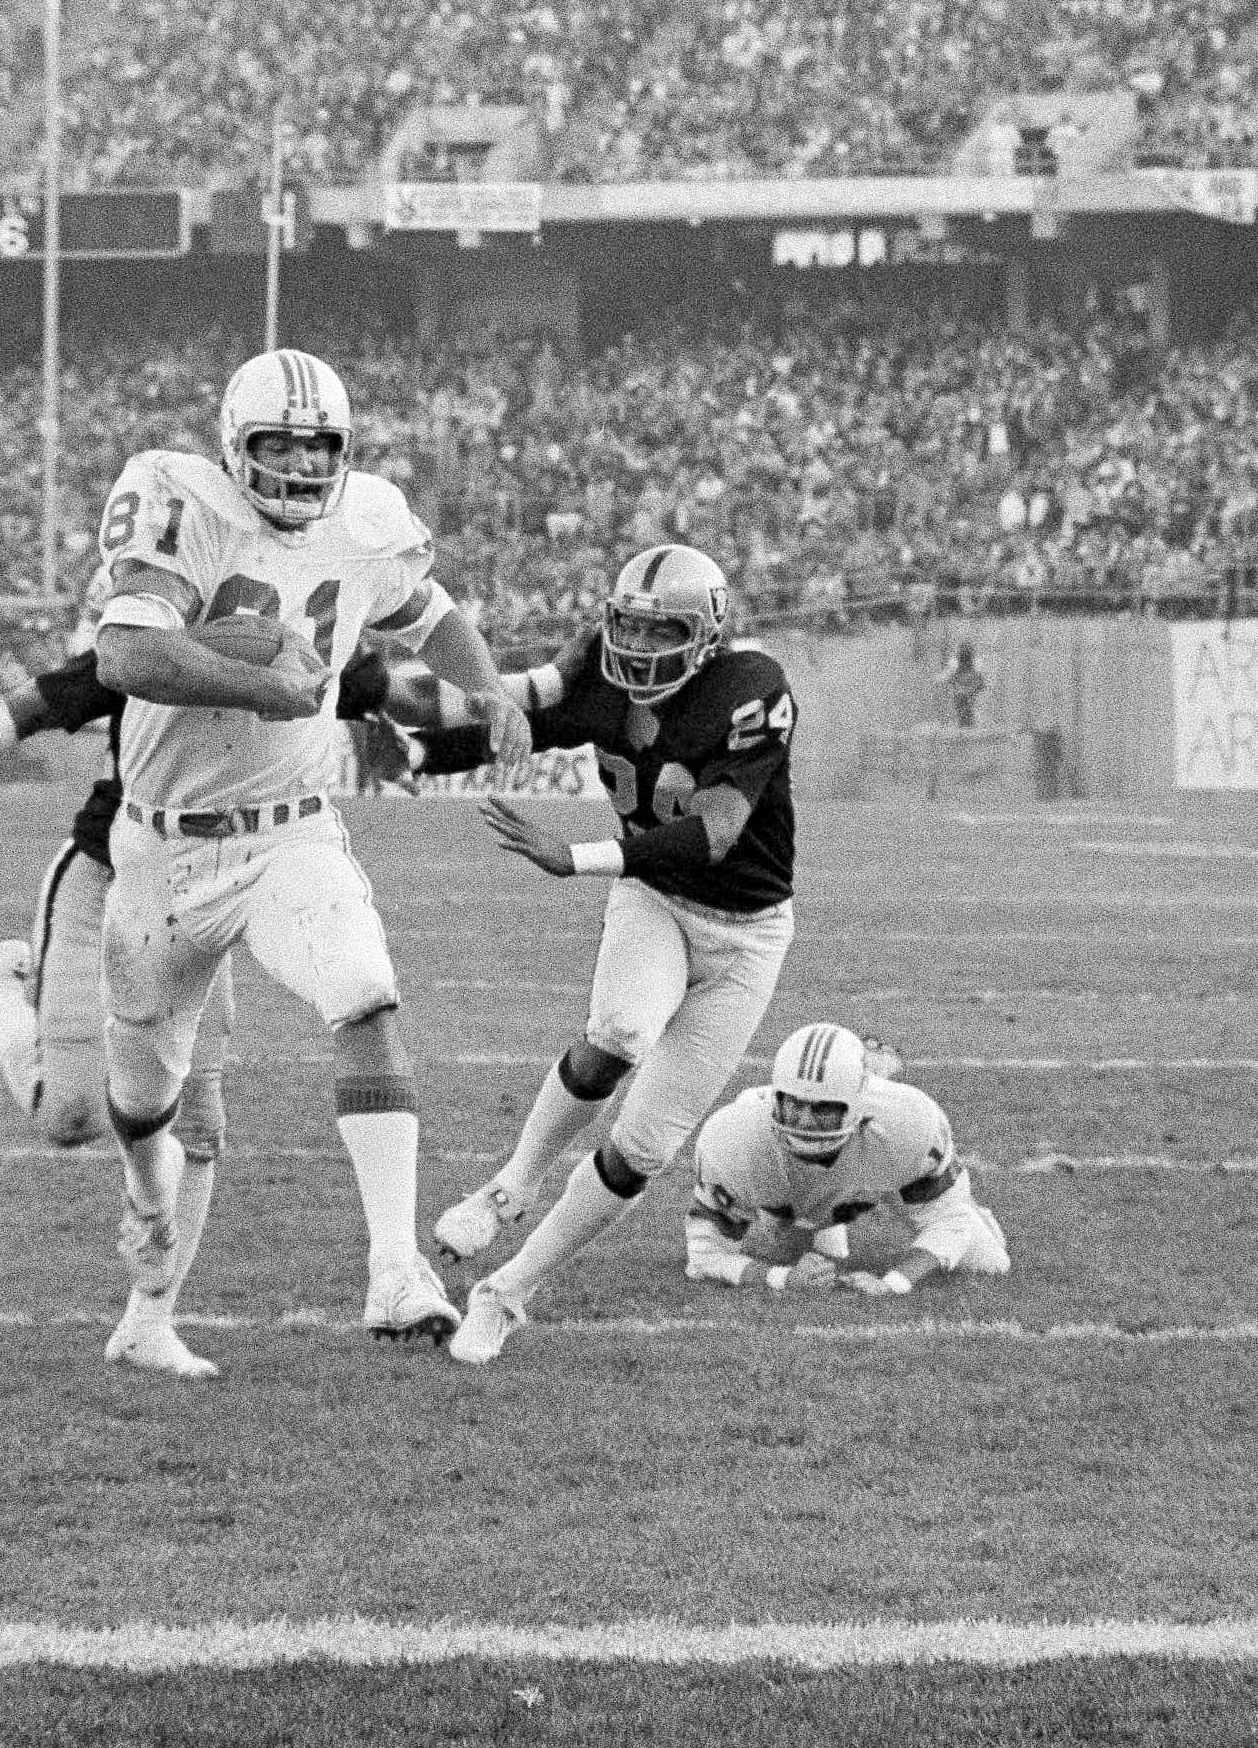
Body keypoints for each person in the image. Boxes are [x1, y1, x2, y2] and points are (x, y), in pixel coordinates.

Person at [84, 346, 531, 1379]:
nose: (297, 466)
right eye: (275, 446)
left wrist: (489, 688)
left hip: (287, 830)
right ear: (232, 446)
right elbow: (124, 656)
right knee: (145, 1105)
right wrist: (264, 687)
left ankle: (393, 1268)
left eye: (316, 446)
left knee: (365, 992)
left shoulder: (367, 518)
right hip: (158, 851)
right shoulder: (173, 497)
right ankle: (146, 1293)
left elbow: (429, 613)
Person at [423, 543, 800, 1366]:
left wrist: (580, 856)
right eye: (626, 625)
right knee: (619, 1033)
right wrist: (391, 725)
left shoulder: (749, 688)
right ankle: (509, 1186)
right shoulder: (593, 675)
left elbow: (716, 831)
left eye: (659, 630)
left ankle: (505, 1291)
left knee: (644, 1148)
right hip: (653, 899)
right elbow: (488, 728)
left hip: (745, 935)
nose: (637, 646)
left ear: (704, 634)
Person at [0, 644, 401, 1156]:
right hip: (105, 872)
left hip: (201, 896)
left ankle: (165, 1247)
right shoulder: (145, 642)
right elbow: (28, 707)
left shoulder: (284, 634)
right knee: (71, 1117)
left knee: (196, 1120)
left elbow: (384, 687)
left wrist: (455, 708)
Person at [683, 1023, 1008, 1296]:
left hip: (870, 1166)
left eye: (823, 1108)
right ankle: (816, 1225)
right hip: (792, 1194)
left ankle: (968, 1204)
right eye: (795, 1103)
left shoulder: (910, 1123)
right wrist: (780, 1278)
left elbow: (948, 1221)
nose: (805, 1121)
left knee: (989, 1262)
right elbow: (705, 1255)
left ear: (857, 1105)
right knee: (795, 1255)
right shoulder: (733, 1138)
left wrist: (894, 1282)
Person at [940, 640, 985, 729]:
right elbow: (947, 678)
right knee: (963, 708)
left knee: (968, 710)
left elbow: (980, 682)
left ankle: (968, 723)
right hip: (962, 691)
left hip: (969, 691)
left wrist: (970, 691)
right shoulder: (955, 665)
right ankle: (965, 724)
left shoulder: (976, 666)